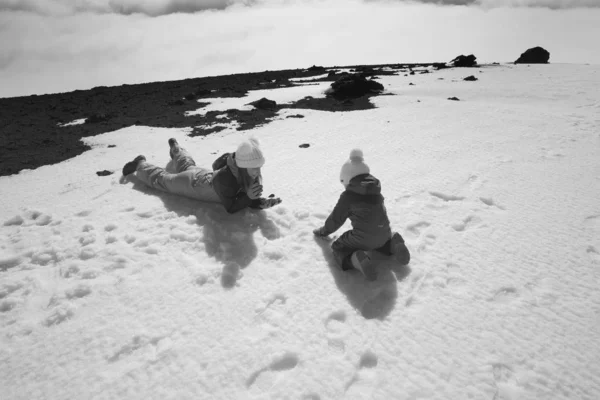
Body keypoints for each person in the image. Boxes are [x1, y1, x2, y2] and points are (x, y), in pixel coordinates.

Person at [313, 149, 410, 280]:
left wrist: (323, 231)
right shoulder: (376, 191)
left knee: (338, 247)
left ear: (347, 179)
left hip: (363, 238)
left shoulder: (348, 196)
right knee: (379, 240)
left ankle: (355, 260)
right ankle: (394, 243)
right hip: (385, 233)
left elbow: (336, 219)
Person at [122, 137, 282, 213]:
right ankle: (140, 164)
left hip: (204, 175)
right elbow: (231, 207)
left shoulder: (237, 163)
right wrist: (249, 197)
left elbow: (241, 194)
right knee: (162, 180)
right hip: (191, 185)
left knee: (187, 163)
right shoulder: (225, 180)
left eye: (259, 167)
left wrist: (259, 201)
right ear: (242, 166)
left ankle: (176, 148)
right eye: (254, 168)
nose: (258, 172)